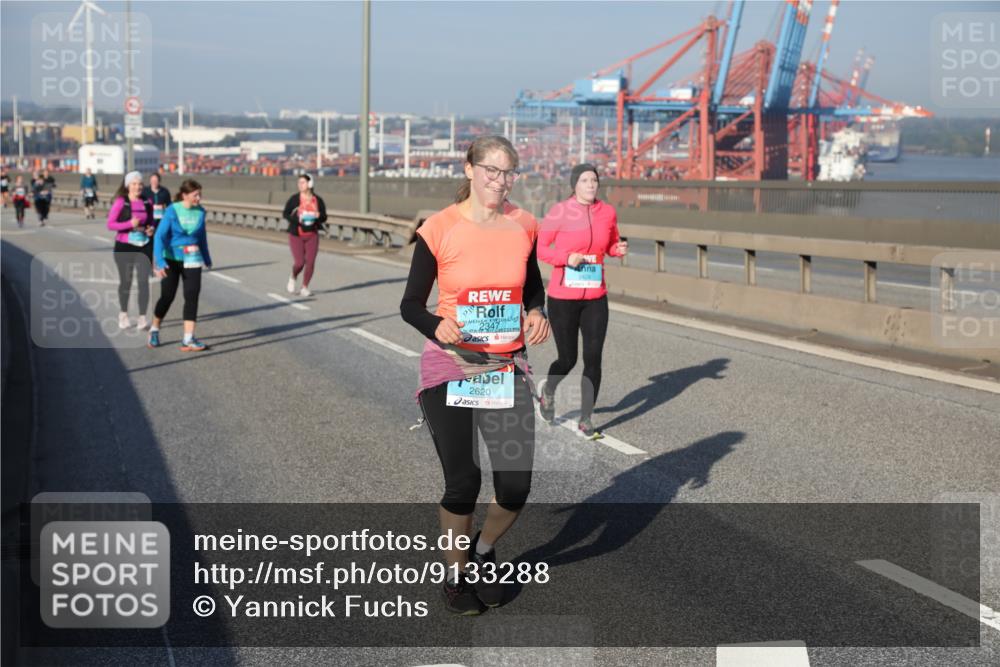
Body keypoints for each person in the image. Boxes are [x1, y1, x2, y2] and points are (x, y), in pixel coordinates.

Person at [400, 135, 550, 615]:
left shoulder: (523, 225)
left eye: (508, 172)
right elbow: (409, 304)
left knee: (514, 487)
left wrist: (536, 311)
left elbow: (531, 286)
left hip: (504, 365)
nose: (499, 181)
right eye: (491, 170)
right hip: (451, 365)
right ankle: (455, 574)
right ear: (469, 169)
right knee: (464, 480)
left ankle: (483, 552)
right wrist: (435, 323)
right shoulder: (438, 228)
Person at [536, 163, 628, 439]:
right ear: (575, 184)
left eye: (594, 180)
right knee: (568, 359)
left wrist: (617, 249)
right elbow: (541, 248)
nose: (591, 184)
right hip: (563, 297)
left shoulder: (607, 212)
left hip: (595, 297)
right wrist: (566, 259)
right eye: (585, 180)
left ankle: (586, 418)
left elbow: (610, 244)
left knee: (593, 358)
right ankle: (548, 393)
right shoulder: (560, 212)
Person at [150, 179, 212, 352]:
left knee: (192, 296)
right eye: (195, 195)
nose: (198, 198)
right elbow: (159, 237)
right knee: (167, 297)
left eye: (200, 194)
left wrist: (206, 257)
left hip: (192, 258)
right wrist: (160, 262)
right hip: (171, 258)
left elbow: (201, 237)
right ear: (185, 195)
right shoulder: (172, 210)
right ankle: (154, 329)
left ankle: (188, 338)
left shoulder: (200, 212)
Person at [107, 171, 155, 330]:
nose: (138, 187)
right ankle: (123, 314)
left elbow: (150, 222)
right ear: (128, 185)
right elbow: (111, 224)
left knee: (143, 282)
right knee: (126, 282)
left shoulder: (147, 202)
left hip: (144, 245)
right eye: (134, 184)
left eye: (140, 184)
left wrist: (150, 229)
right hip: (124, 246)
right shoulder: (121, 202)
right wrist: (129, 224)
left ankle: (142, 318)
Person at [282, 173, 327, 297]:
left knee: (310, 262)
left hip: (312, 234)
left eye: (302, 182)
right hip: (296, 234)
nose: (300, 185)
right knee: (299, 263)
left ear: (310, 184)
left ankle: (305, 287)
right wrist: (298, 221)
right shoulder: (294, 199)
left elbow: (324, 217)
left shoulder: (317, 200)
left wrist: (319, 216)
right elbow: (285, 213)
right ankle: (293, 276)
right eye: (299, 183)